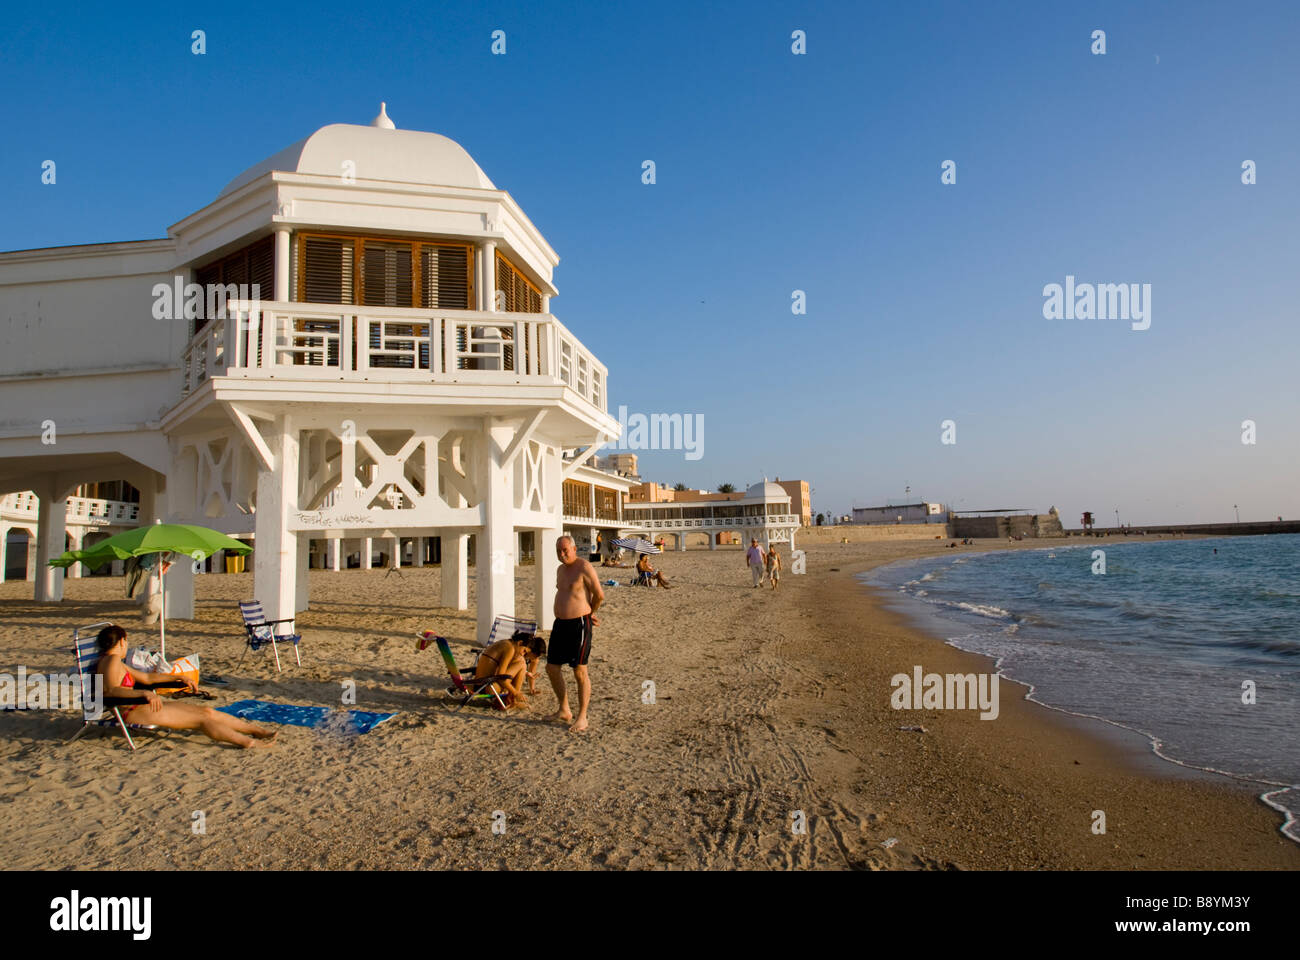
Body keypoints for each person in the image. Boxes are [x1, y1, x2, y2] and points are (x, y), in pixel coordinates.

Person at [94, 624, 277, 748]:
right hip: (133, 710)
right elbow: (111, 690)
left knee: (206, 711)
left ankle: (257, 731)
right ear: (122, 641)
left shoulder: (116, 661)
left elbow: (148, 678)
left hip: (142, 704)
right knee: (201, 721)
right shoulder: (111, 661)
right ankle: (248, 742)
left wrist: (179, 677)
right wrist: (145, 694)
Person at [548, 535, 604, 733]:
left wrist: (591, 613)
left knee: (579, 671)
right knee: (551, 668)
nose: (562, 554)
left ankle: (582, 717)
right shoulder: (560, 570)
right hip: (559, 624)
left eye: (565, 550)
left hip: (579, 624)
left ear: (573, 549)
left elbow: (599, 595)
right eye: (558, 551)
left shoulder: (584, 567)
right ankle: (564, 709)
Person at [474, 630, 547, 708]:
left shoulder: (506, 643)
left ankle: (512, 699)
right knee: (522, 663)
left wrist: (526, 673)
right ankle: (512, 700)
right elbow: (501, 677)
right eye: (524, 651)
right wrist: (516, 693)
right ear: (519, 643)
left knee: (521, 662)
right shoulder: (510, 649)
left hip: (478, 685)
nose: (523, 654)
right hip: (487, 687)